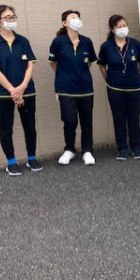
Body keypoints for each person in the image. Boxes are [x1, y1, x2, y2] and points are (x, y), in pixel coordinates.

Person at [0, 5, 42, 176]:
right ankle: (11, 161)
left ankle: (32, 158)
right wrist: (13, 91)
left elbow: (30, 65)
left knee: (30, 126)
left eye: (13, 17)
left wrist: (22, 87)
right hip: (3, 94)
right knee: (6, 128)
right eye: (7, 17)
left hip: (27, 90)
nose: (11, 20)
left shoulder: (23, 41)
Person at [49, 10, 98, 165]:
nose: (77, 19)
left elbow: (89, 62)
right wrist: (65, 74)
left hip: (85, 88)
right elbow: (53, 62)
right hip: (66, 88)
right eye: (73, 17)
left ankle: (87, 151)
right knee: (69, 120)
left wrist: (78, 72)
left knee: (86, 121)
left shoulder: (87, 41)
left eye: (78, 17)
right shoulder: (58, 42)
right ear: (64, 23)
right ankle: (69, 149)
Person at [97, 15, 140, 160]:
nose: (123, 28)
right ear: (112, 29)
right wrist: (109, 80)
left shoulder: (135, 44)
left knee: (134, 118)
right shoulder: (106, 46)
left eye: (124, 25)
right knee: (119, 118)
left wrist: (138, 77)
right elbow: (101, 66)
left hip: (134, 87)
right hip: (115, 88)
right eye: (119, 26)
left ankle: (136, 147)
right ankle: (122, 148)